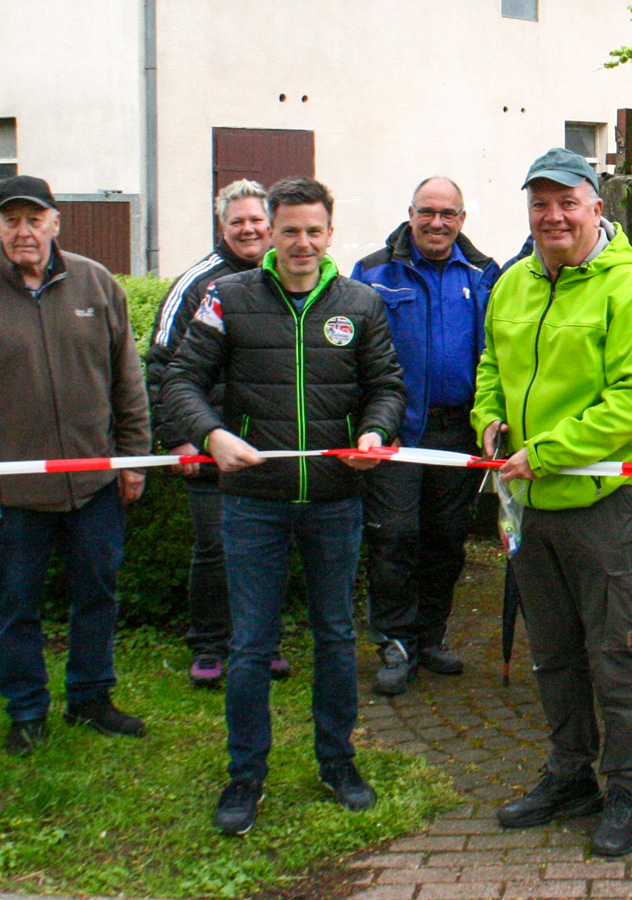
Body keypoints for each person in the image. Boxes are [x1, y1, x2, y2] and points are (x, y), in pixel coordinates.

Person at [161, 176, 407, 836]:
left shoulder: (360, 301)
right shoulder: (228, 299)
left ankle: (338, 762)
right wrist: (212, 435)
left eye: (314, 231)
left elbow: (387, 386)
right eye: (289, 229)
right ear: (269, 231)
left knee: (333, 636)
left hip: (333, 501)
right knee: (249, 645)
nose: (302, 242)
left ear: (330, 233)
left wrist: (375, 434)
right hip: (252, 502)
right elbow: (180, 379)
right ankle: (246, 776)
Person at [473, 148, 632, 858]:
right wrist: (489, 425)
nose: (552, 216)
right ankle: (570, 775)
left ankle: (628, 790)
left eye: (566, 202)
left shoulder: (630, 291)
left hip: (604, 502)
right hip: (529, 500)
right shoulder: (512, 284)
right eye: (540, 203)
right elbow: (491, 370)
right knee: (553, 653)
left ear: (596, 207)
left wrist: (546, 450)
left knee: (612, 652)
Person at [0, 175, 152, 756]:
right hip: (12, 495)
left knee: (97, 596)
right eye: (12, 220)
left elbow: (127, 378)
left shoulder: (97, 283)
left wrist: (133, 458)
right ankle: (27, 710)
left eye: (35, 219)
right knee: (16, 608)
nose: (24, 231)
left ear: (56, 222)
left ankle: (90, 699)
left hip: (96, 486)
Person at [351, 176, 500, 695]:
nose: (437, 223)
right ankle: (394, 644)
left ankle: (430, 636)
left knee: (445, 539)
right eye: (427, 212)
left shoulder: (484, 273)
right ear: (410, 212)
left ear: (462, 219)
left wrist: (489, 419)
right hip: (395, 429)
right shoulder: (372, 272)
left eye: (449, 214)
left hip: (456, 429)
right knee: (394, 537)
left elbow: (494, 355)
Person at [145, 178, 277, 688]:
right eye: (237, 221)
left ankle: (261, 643)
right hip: (208, 441)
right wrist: (178, 437)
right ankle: (208, 646)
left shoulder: (282, 278)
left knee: (266, 548)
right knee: (217, 548)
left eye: (256, 220)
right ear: (222, 227)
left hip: (268, 445)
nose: (248, 229)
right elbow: (162, 366)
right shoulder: (197, 282)